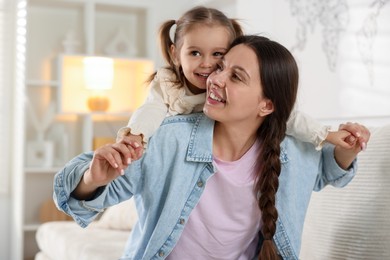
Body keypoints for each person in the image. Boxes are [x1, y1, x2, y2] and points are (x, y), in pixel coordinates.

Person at [54, 35, 370, 260]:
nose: (215, 79)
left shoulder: (291, 151)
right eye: (221, 68)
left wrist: (349, 148)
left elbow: (324, 172)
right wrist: (92, 180)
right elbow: (74, 197)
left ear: (266, 105)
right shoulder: (169, 139)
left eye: (236, 76)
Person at [116, 6, 352, 162]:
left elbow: (287, 117)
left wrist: (325, 134)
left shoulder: (245, 102)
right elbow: (151, 110)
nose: (207, 65)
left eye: (218, 54)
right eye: (195, 53)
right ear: (176, 54)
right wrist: (137, 135)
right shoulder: (168, 84)